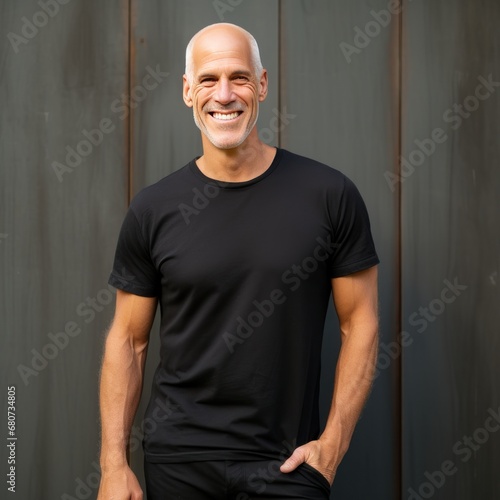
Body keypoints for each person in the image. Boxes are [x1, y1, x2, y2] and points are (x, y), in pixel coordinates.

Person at [97, 22, 379, 500]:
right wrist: (112, 466)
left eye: (239, 77)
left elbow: (361, 324)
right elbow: (128, 339)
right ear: (188, 91)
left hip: (287, 466)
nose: (223, 94)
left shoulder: (329, 195)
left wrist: (331, 448)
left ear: (262, 85)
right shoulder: (153, 209)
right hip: (178, 462)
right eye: (208, 79)